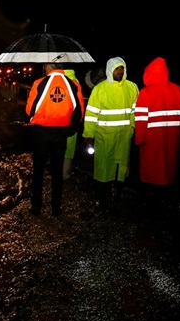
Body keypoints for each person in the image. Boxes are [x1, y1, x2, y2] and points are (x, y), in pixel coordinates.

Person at [25, 62, 84, 216]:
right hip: (61, 133)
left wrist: (35, 119)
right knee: (57, 170)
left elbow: (30, 109)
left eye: (45, 67)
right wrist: (69, 130)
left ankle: (36, 206)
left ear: (48, 68)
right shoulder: (73, 85)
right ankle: (56, 207)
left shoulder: (39, 83)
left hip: (41, 133)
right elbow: (79, 112)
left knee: (38, 168)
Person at [83, 56, 139, 205]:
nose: (119, 71)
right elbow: (91, 114)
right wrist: (89, 134)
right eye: (117, 69)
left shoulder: (132, 87)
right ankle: (102, 200)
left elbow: (135, 111)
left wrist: (133, 128)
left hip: (124, 137)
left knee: (121, 170)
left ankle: (117, 197)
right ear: (110, 70)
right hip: (104, 137)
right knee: (103, 169)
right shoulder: (100, 89)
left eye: (122, 68)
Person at [134, 57, 180, 191]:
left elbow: (141, 120)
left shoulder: (146, 93)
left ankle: (150, 201)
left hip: (151, 142)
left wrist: (139, 140)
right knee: (168, 170)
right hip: (173, 140)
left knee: (151, 174)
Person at [62, 68, 87, 180]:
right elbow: (80, 105)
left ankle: (57, 172)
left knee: (57, 147)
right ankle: (65, 174)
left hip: (58, 120)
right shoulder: (76, 82)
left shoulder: (58, 81)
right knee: (69, 149)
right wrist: (79, 120)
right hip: (72, 121)